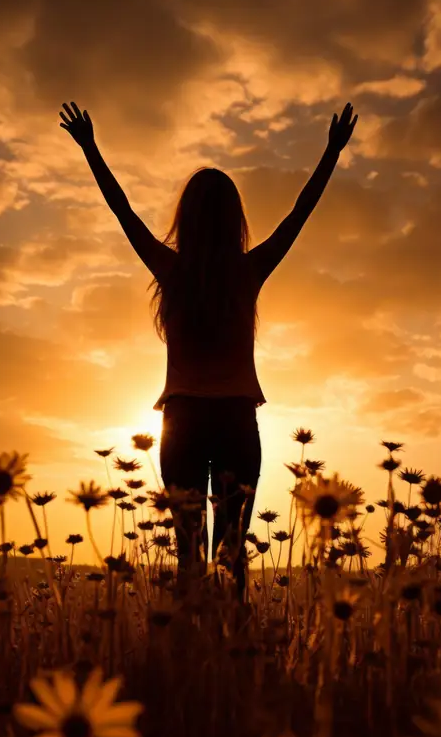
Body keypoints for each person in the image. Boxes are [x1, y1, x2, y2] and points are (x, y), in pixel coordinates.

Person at [59, 100, 358, 600]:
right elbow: (299, 214)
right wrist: (331, 152)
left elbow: (123, 211)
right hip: (237, 421)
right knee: (231, 551)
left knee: (189, 554)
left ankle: (189, 651)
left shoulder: (173, 271)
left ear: (188, 218)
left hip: (183, 422)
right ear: (235, 219)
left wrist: (90, 148)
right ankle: (232, 655)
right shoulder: (248, 271)